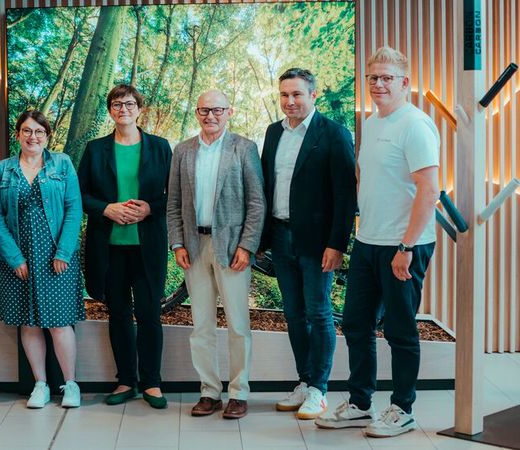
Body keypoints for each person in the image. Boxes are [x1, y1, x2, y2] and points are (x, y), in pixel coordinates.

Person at [315, 46, 439, 438]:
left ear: (404, 82)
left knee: (400, 330)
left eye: (387, 77)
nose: (379, 84)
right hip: (368, 241)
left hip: (403, 246)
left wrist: (406, 247)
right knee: (356, 324)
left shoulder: (414, 125)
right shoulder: (372, 123)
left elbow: (429, 189)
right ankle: (360, 403)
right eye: (373, 78)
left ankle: (402, 409)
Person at [259, 68, 356, 419]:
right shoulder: (273, 133)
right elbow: (266, 186)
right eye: (284, 95)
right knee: (294, 315)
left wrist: (337, 244)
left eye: (297, 94)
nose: (290, 101)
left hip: (318, 243)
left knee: (318, 313)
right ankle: (304, 381)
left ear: (313, 95)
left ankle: (319, 389)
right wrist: (262, 238)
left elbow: (345, 196)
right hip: (281, 238)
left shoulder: (334, 134)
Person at [166, 89, 266, 420]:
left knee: (238, 325)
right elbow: (174, 204)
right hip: (194, 248)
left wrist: (247, 246)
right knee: (201, 326)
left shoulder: (244, 148)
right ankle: (209, 392)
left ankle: (238, 393)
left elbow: (256, 203)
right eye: (204, 110)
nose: (210, 116)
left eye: (217, 110)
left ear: (229, 111)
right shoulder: (182, 151)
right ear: (197, 113)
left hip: (233, 248)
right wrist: (178, 243)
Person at [79, 85, 172, 409]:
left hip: (148, 247)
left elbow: (171, 197)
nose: (123, 109)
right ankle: (125, 381)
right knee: (118, 315)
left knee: (149, 315)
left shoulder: (160, 147)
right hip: (110, 247)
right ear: (110, 110)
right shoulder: (95, 149)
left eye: (129, 103)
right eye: (116, 104)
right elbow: (82, 194)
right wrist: (106, 208)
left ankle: (152, 383)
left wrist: (149, 208)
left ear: (139, 108)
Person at [0, 110, 84, 409]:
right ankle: (40, 385)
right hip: (18, 259)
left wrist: (64, 252)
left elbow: (73, 209)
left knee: (59, 323)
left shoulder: (62, 163)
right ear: (18, 134)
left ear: (47, 136)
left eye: (39, 132)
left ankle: (71, 385)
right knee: (28, 323)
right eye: (27, 131)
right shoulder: (3, 170)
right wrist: (14, 257)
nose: (33, 137)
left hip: (56, 257)